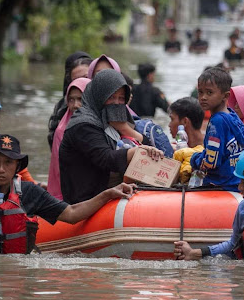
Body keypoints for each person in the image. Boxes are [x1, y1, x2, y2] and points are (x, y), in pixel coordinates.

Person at [0, 134, 136, 254]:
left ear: (17, 167)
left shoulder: (29, 192)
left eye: (8, 163)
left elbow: (72, 214)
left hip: (15, 279)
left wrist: (108, 194)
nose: (0, 169)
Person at [60, 69, 163, 204]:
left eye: (121, 98)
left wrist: (124, 128)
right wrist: (137, 151)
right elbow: (106, 158)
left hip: (111, 192)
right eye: (111, 97)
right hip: (84, 200)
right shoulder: (83, 124)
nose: (116, 103)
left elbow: (147, 144)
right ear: (99, 96)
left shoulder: (113, 117)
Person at [190, 67, 244, 191]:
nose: (203, 97)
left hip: (221, 184)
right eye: (200, 92)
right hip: (237, 180)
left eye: (209, 92)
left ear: (225, 95)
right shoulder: (232, 115)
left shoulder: (216, 122)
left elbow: (211, 162)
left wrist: (194, 159)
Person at [47, 77, 90, 200]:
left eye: (80, 99)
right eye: (71, 100)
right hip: (67, 194)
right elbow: (59, 170)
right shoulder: (62, 130)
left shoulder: (100, 126)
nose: (75, 105)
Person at [47, 51, 92, 148]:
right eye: (76, 80)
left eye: (86, 77)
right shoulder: (62, 108)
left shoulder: (109, 101)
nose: (81, 82)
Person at [169, 97, 205, 183]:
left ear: (185, 122)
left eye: (172, 119)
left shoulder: (209, 151)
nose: (169, 125)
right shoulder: (173, 148)